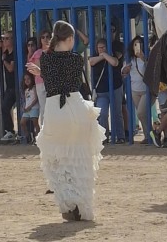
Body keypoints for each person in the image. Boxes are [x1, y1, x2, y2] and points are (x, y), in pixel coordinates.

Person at [26, 20, 104, 222]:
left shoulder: (45, 58)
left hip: (55, 110)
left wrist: (41, 71)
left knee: (58, 161)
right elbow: (71, 82)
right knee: (81, 158)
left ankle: (68, 206)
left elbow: (53, 80)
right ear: (69, 39)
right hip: (75, 107)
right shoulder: (76, 59)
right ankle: (81, 205)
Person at [89, 37, 125, 144]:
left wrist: (104, 55)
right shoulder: (94, 56)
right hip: (101, 91)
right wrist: (103, 56)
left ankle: (120, 136)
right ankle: (104, 136)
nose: (101, 50)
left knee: (117, 112)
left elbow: (114, 63)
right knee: (102, 113)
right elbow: (91, 61)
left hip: (115, 88)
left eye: (103, 47)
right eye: (99, 48)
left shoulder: (114, 55)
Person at [122, 36, 156, 145]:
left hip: (147, 90)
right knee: (143, 114)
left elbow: (151, 71)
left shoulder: (147, 57)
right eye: (135, 44)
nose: (137, 46)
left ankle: (151, 135)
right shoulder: (130, 59)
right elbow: (123, 73)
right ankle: (149, 136)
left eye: (140, 44)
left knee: (141, 113)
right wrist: (125, 70)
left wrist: (144, 59)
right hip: (134, 90)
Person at [0, 31, 17, 141]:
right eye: (3, 39)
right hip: (8, 86)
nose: (5, 41)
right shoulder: (5, 53)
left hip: (15, 85)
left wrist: (4, 59)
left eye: (7, 38)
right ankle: (9, 131)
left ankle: (11, 131)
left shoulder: (13, 54)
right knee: (5, 108)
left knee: (5, 107)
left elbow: (10, 68)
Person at [29, 29, 51, 125]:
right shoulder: (38, 53)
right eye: (43, 37)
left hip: (53, 82)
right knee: (44, 107)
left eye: (48, 37)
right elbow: (37, 69)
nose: (45, 39)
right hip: (41, 82)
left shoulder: (55, 51)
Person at [20, 72, 40, 144]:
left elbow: (36, 98)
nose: (27, 81)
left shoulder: (34, 88)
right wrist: (24, 107)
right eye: (25, 79)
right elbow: (26, 100)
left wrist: (30, 106)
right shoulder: (26, 90)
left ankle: (37, 137)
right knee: (22, 122)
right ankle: (28, 135)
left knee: (35, 123)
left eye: (28, 79)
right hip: (27, 109)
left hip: (34, 108)